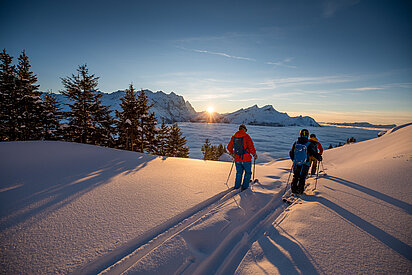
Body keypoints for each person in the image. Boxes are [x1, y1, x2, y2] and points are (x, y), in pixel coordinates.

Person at [289, 129, 322, 194]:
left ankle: (293, 190)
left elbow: (291, 153)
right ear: (307, 135)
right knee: (302, 177)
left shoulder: (296, 143)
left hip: (296, 163)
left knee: (296, 176)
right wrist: (319, 157)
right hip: (305, 163)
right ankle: (300, 191)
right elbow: (313, 153)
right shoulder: (309, 144)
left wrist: (294, 160)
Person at [227, 124, 257, 190]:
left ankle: (237, 186)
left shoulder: (234, 137)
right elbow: (251, 147)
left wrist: (233, 153)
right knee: (248, 172)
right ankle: (245, 187)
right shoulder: (246, 136)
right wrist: (254, 154)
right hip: (246, 159)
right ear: (244, 129)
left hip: (237, 159)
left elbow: (229, 147)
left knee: (239, 173)